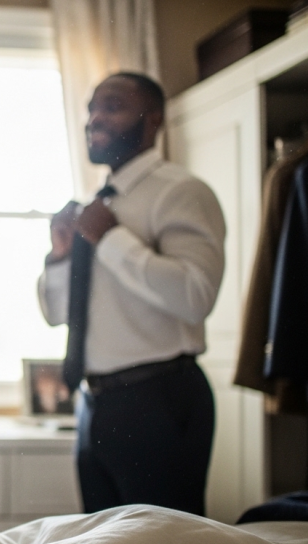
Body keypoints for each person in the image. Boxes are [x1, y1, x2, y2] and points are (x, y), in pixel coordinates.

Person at [37, 73, 226, 516]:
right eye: (91, 108)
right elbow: (57, 313)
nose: (94, 118)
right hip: (94, 404)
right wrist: (61, 256)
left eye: (113, 106)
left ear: (153, 119)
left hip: (158, 399)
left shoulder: (182, 192)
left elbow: (196, 296)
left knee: (163, 543)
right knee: (102, 542)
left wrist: (112, 239)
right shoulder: (95, 205)